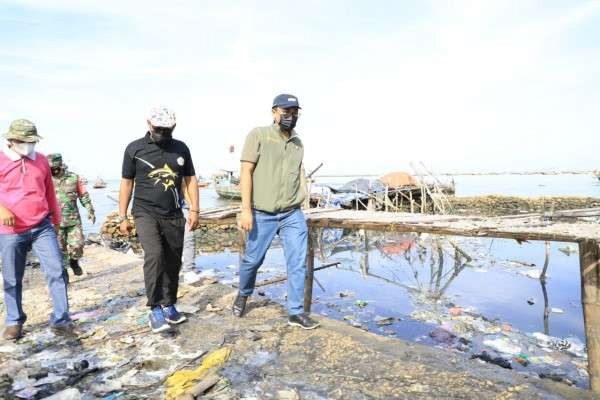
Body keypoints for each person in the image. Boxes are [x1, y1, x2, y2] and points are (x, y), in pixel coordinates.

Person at [234, 94, 320, 329]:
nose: (290, 117)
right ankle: (243, 292)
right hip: (262, 212)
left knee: (297, 261)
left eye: (294, 113)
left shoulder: (298, 143)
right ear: (274, 112)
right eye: (286, 112)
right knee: (252, 260)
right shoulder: (258, 135)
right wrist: (246, 210)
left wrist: (303, 199)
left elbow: (299, 173)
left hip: (292, 213)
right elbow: (245, 172)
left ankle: (295, 311)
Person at [118, 107, 199, 333]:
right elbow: (126, 183)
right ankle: (154, 308)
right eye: (158, 129)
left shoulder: (181, 148)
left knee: (173, 260)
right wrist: (122, 216)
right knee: (154, 256)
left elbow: (190, 179)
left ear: (174, 126)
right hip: (145, 212)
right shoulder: (135, 149)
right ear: (149, 124)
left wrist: (195, 210)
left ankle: (169, 304)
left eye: (167, 129)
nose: (162, 133)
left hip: (174, 213)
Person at [0, 119, 73, 340]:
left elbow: (49, 190)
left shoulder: (40, 160)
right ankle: (14, 320)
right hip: (10, 230)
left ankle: (61, 319)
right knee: (12, 277)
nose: (29, 145)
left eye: (32, 141)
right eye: (25, 141)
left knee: (57, 271)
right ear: (12, 140)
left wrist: (57, 220)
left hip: (42, 225)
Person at [47, 153, 96, 280]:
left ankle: (74, 262)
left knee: (78, 245)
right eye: (50, 168)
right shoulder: (45, 179)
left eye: (55, 167)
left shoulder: (74, 178)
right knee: (59, 250)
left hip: (73, 221)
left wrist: (90, 210)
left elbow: (83, 195)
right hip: (54, 223)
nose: (53, 170)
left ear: (61, 165)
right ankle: (64, 274)